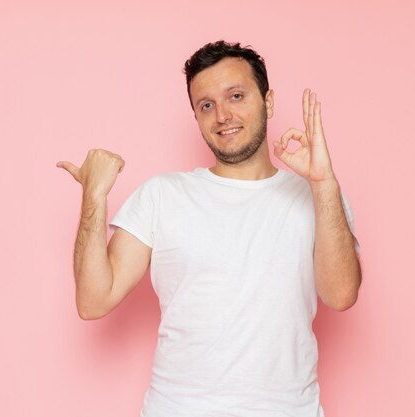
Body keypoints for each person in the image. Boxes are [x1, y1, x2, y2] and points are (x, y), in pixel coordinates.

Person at [56, 40, 361, 417]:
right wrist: (94, 197)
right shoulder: (162, 195)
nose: (222, 116)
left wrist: (324, 185)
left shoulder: (318, 195)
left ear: (267, 103)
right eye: (206, 105)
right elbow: (92, 300)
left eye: (236, 96)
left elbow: (342, 294)